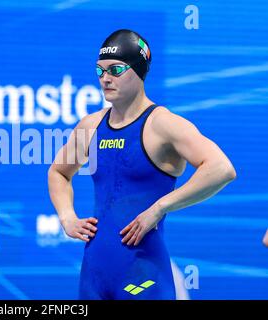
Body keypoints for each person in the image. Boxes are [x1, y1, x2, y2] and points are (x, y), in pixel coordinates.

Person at [47, 29, 237, 299]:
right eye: (100, 71)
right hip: (94, 274)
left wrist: (160, 207)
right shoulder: (90, 126)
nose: (105, 79)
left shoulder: (162, 124)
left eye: (115, 69)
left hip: (144, 272)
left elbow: (221, 168)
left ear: (138, 70)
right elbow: (58, 173)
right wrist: (67, 217)